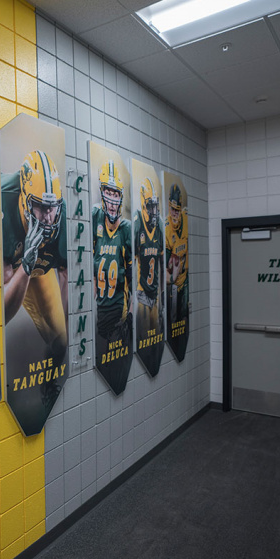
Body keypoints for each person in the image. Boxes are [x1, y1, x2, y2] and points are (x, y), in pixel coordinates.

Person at [2, 150, 68, 359]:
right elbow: (2, 312)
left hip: (41, 268)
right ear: (24, 200)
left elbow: (65, 274)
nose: (48, 218)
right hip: (11, 269)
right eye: (40, 206)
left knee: (61, 338)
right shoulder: (3, 203)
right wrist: (25, 267)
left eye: (52, 208)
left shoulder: (61, 212)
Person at [92, 160, 134, 394]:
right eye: (107, 191)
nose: (111, 197)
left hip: (118, 313)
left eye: (115, 192)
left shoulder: (126, 229)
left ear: (121, 196)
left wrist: (129, 312)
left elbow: (131, 273)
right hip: (98, 309)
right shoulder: (95, 217)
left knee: (114, 370)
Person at [134, 177, 164, 374]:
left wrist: (161, 297)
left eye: (155, 206)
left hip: (155, 294)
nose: (153, 211)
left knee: (156, 341)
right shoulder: (138, 225)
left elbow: (161, 265)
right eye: (150, 206)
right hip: (142, 293)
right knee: (144, 342)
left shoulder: (159, 229)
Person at [166, 183, 189, 328]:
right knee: (173, 324)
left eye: (177, 210)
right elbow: (167, 267)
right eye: (172, 209)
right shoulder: (167, 229)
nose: (174, 213)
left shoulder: (186, 219)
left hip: (185, 281)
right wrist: (172, 274)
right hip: (174, 286)